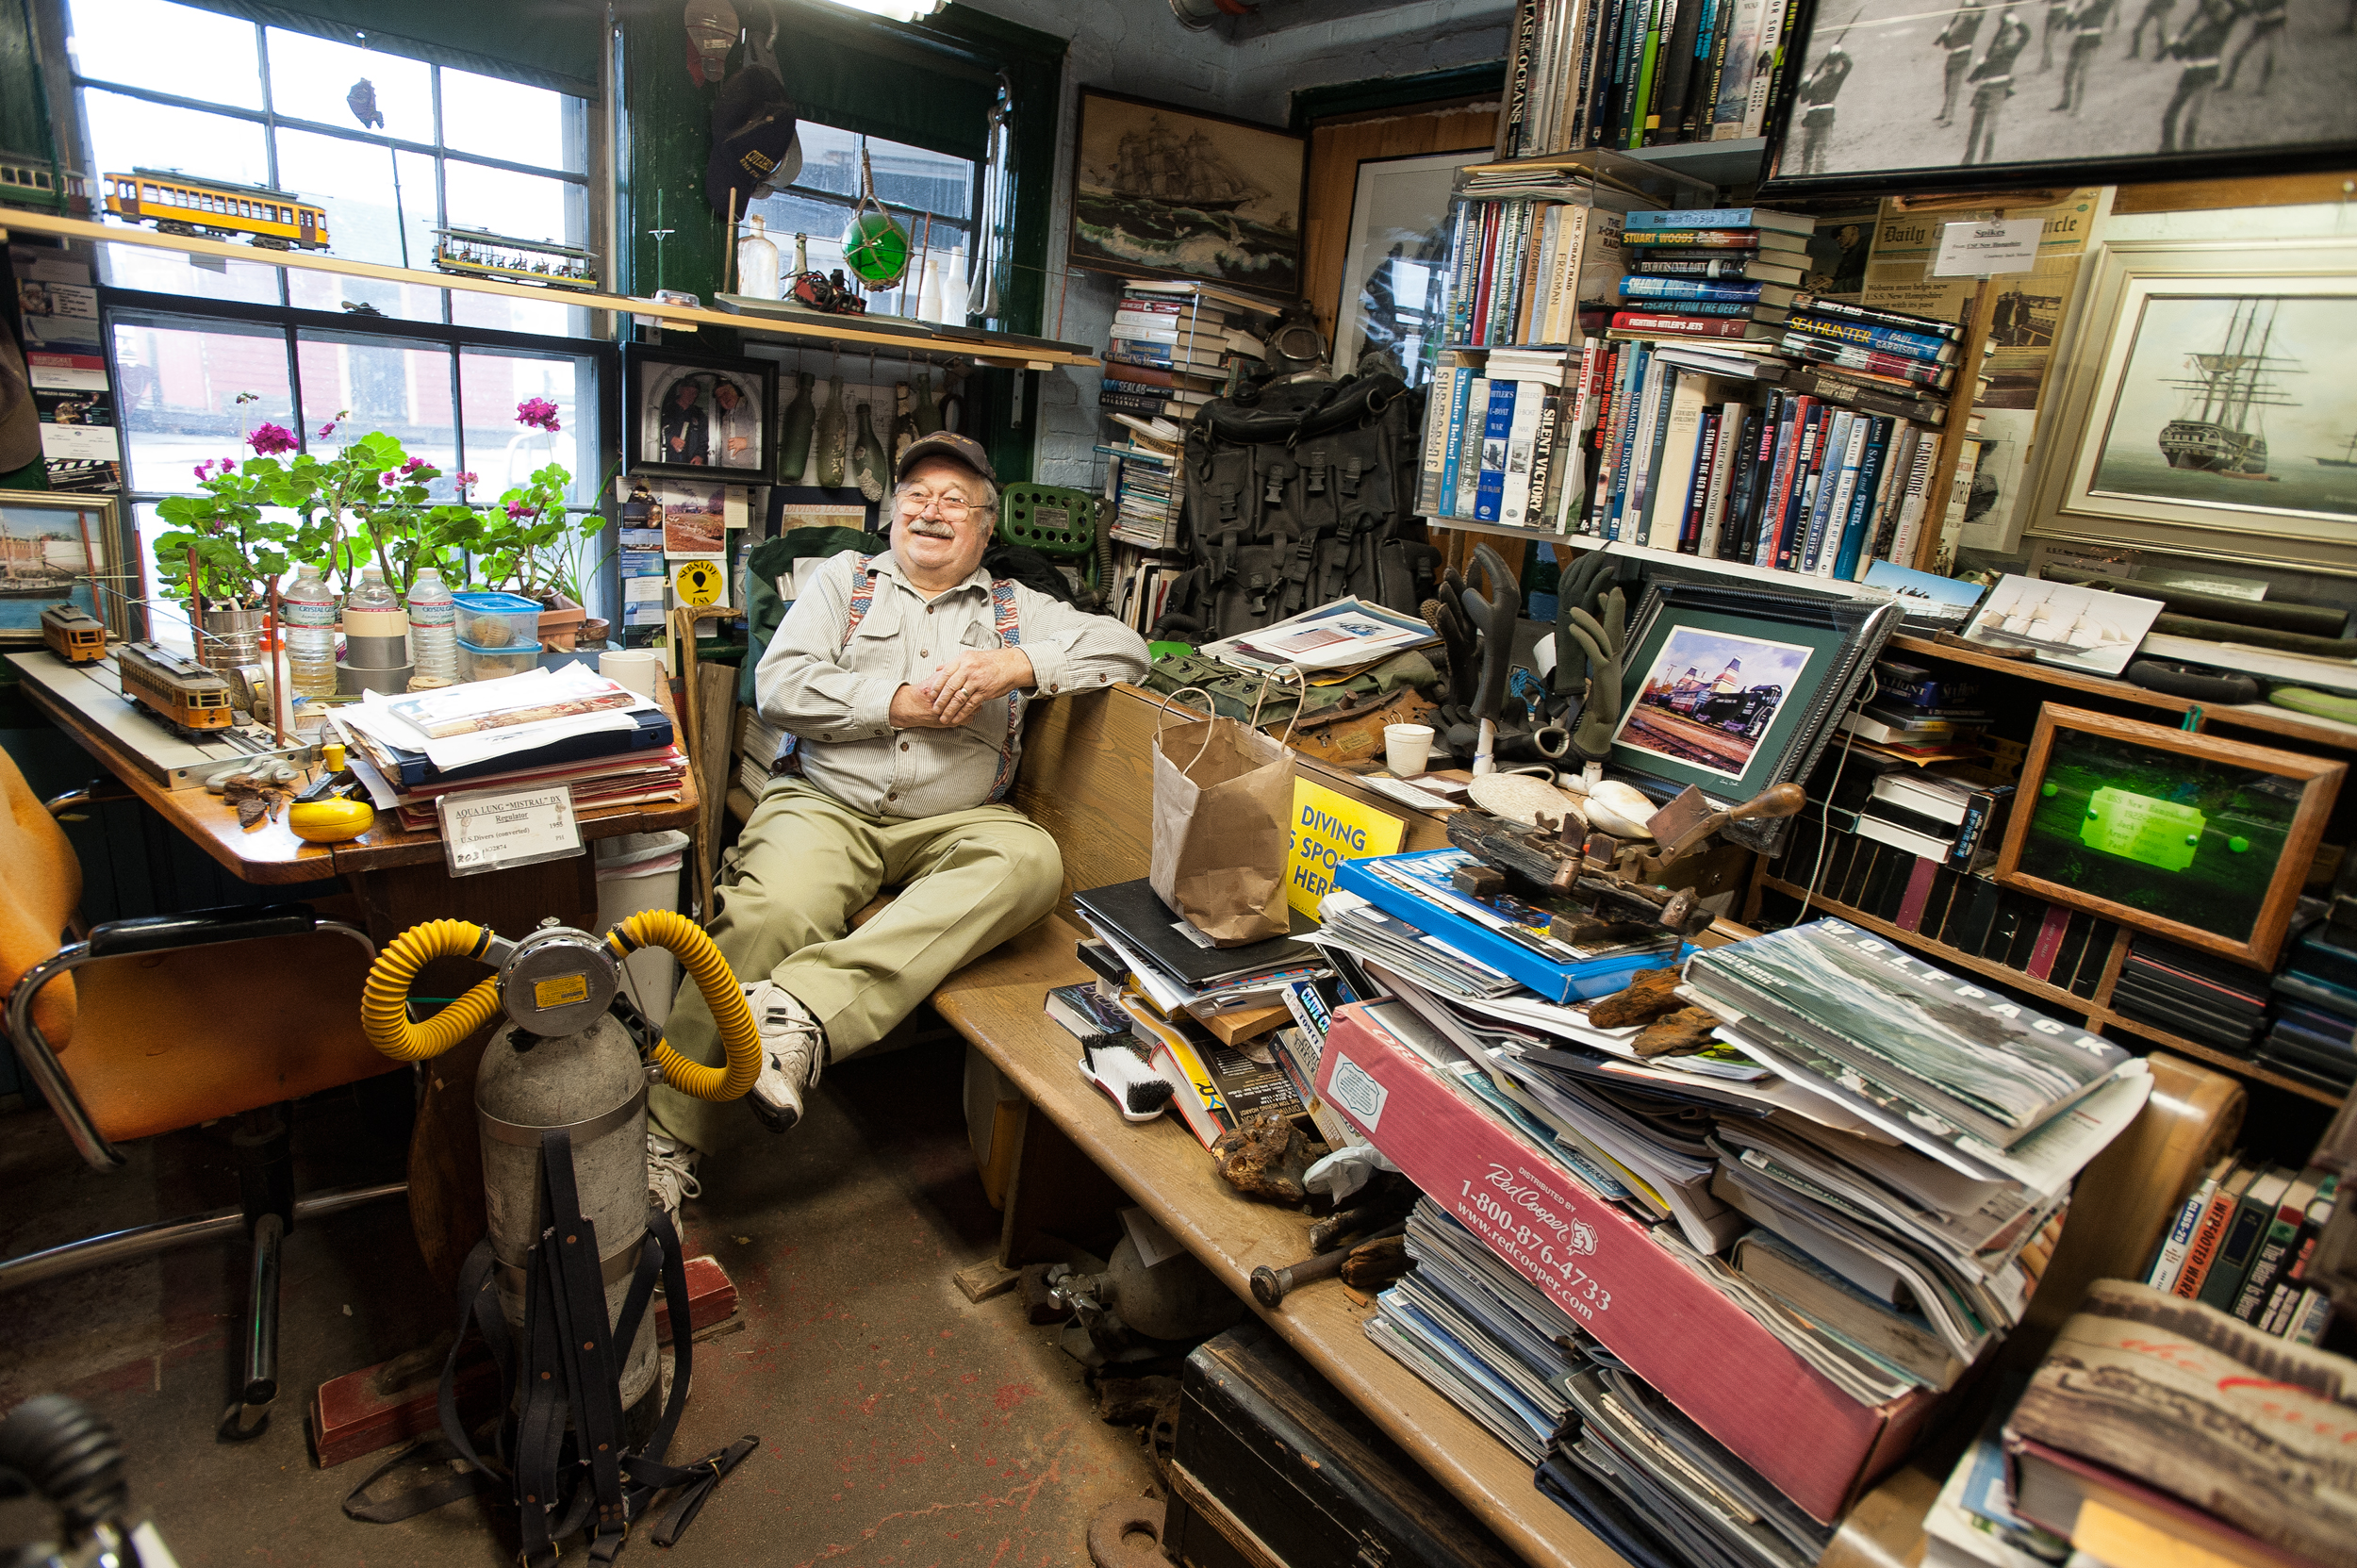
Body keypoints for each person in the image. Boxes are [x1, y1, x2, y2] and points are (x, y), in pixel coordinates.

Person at [643, 432, 1151, 1218]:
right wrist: (896, 702)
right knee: (771, 914)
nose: (932, 510)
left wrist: (1018, 666)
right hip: (827, 803)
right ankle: (667, 1137)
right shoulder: (843, 583)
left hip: (958, 819)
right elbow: (778, 687)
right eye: (916, 494)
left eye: (955, 499)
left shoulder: (1020, 610)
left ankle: (802, 1011)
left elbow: (1128, 649)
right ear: (892, 517)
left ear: (985, 529)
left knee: (1031, 865)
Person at [2158, 0, 2245, 150]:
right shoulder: (2197, 27)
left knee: (2192, 121)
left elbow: (2242, 8)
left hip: (2207, 76)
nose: (2224, 11)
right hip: (2189, 75)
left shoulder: (2224, 27)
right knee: (2168, 117)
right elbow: (2179, 55)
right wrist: (2174, 41)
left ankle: (2187, 153)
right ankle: (2167, 151)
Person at [1961, 5, 2033, 165]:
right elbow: (1981, 69)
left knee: (1990, 128)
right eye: (2001, 35)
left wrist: (2017, 22)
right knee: (1975, 128)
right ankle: (1967, 161)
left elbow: (2026, 35)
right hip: (1984, 90)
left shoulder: (2011, 51)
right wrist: (1974, 74)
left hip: (1997, 91)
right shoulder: (1993, 51)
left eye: (2005, 34)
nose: (2002, 37)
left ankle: (1986, 161)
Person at [1791, 42, 1854, 175]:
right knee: (1807, 152)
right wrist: (1806, 83)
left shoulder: (1837, 79)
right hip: (1812, 120)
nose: (1830, 67)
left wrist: (1839, 53)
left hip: (1824, 119)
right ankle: (1803, 177)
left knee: (1821, 153)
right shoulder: (1817, 83)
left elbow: (1848, 65)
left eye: (1833, 65)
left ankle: (1816, 177)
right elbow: (1803, 99)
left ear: (1836, 67)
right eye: (1828, 65)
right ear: (1825, 66)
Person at [1935, 0, 1989, 124]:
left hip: (1962, 57)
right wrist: (1945, 35)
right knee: (1948, 86)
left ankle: (1949, 117)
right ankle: (1944, 112)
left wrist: (1973, 3)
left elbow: (1981, 12)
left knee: (1954, 88)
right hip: (1952, 57)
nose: (1963, 14)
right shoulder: (1959, 24)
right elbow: (1948, 46)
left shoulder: (1972, 22)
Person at [2055, 0, 2115, 108]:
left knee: (2081, 76)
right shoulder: (2086, 10)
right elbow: (2070, 27)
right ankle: (2065, 102)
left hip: (2090, 42)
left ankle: (2076, 107)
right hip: (2079, 42)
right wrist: (2070, 10)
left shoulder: (2102, 7)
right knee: (2068, 73)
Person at [2219, 0, 2287, 89]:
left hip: (2275, 22)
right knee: (2243, 51)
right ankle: (2228, 82)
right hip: (2263, 22)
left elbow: (2261, 6)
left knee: (2270, 56)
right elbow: (2252, 8)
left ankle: (2262, 88)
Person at [660, 377, 709, 467]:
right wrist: (670, 439)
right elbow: (652, 430)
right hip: (665, 463)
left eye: (695, 393)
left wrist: (700, 456)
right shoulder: (665, 410)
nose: (691, 395)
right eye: (688, 390)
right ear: (681, 390)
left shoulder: (699, 415)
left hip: (689, 465)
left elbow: (705, 440)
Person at [711, 377, 757, 469]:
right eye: (720, 397)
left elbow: (769, 433)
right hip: (729, 470)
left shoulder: (751, 406)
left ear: (734, 390)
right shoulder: (725, 416)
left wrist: (747, 442)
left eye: (725, 392)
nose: (724, 397)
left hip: (750, 470)